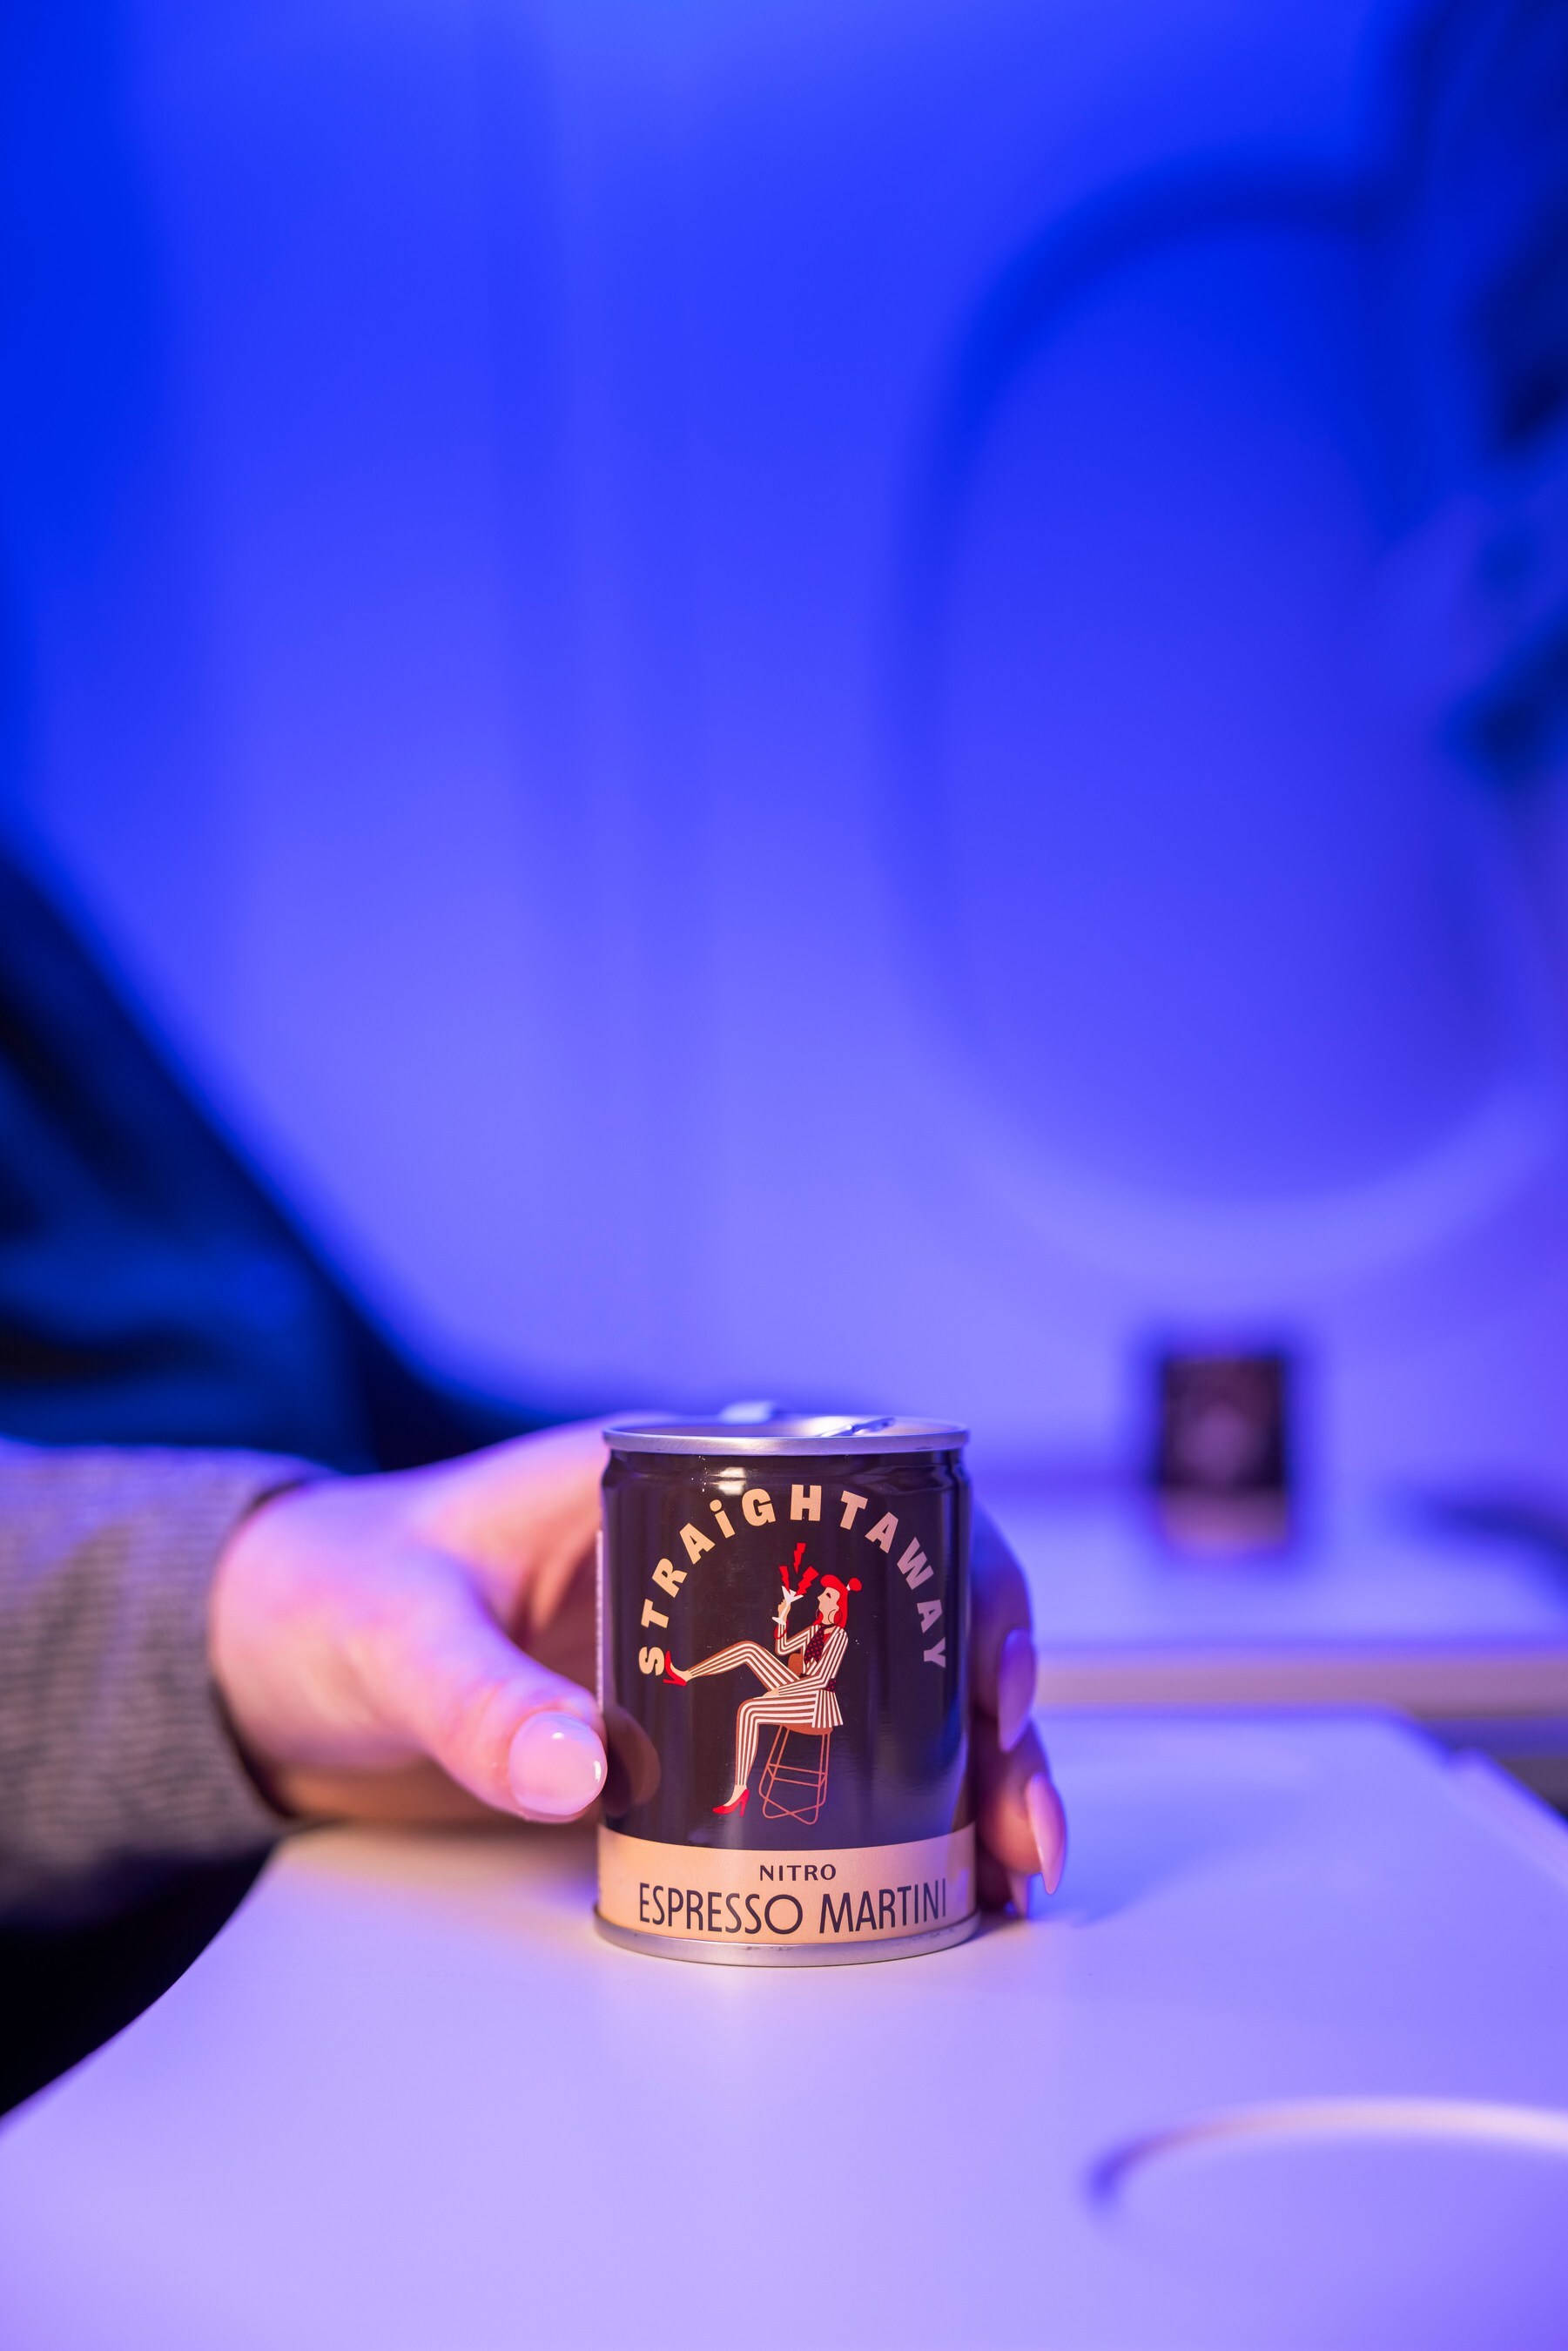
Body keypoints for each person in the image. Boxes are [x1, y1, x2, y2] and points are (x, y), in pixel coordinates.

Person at [663, 1559, 859, 1815]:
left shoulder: (839, 1637)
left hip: (817, 1702)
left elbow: (821, 1680)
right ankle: (686, 1675)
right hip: (799, 1688)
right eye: (824, 1592)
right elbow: (782, 1648)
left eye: (828, 1595)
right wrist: (783, 1617)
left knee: (750, 1710)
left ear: (837, 1606)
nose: (821, 1596)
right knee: (749, 1649)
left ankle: (739, 1789)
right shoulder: (815, 1630)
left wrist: (780, 1692)